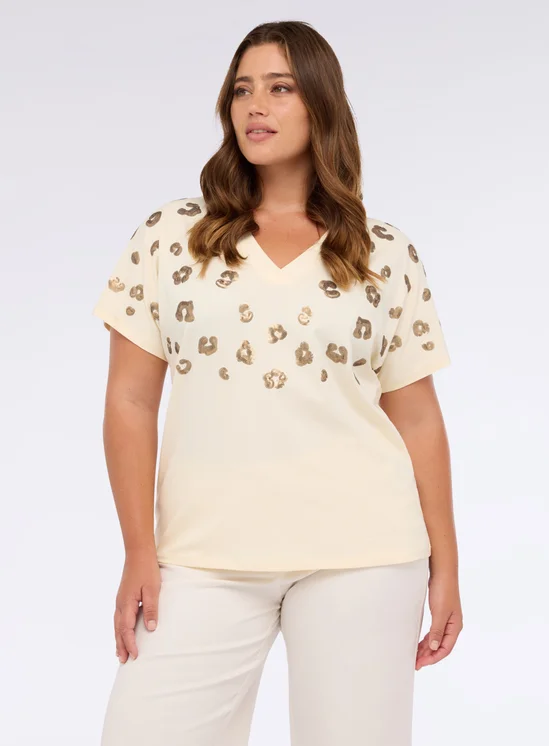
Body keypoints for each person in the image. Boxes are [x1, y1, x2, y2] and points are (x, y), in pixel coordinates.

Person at [92, 20, 463, 746]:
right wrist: (139, 547)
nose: (255, 105)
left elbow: (418, 418)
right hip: (203, 555)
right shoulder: (172, 238)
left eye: (280, 87)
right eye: (242, 90)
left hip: (365, 553)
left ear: (321, 104)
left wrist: (446, 563)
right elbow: (130, 402)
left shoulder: (381, 252)